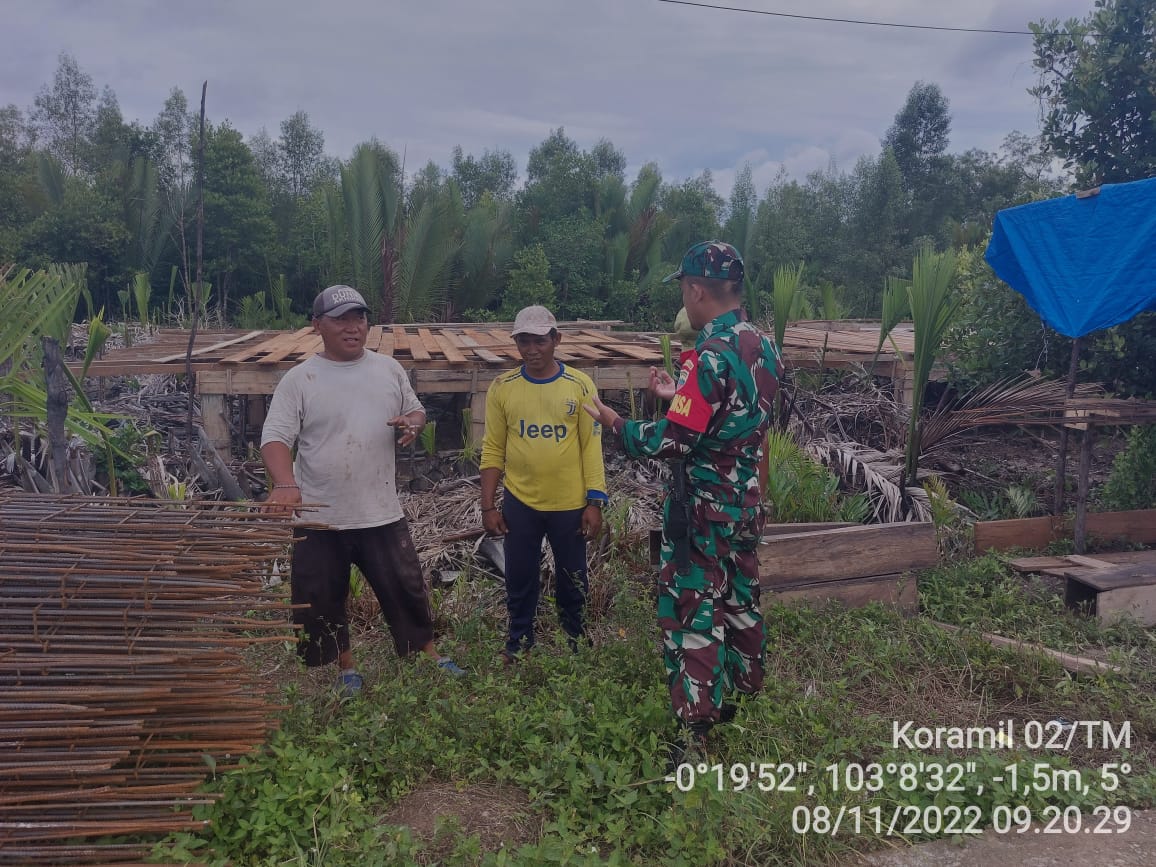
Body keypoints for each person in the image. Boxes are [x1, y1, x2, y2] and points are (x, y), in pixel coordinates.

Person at [584, 241, 781, 755]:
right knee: (741, 598)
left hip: (702, 510)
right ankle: (746, 692)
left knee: (693, 610)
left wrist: (615, 422)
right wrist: (680, 397)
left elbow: (674, 441)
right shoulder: (763, 346)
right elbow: (737, 415)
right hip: (745, 505)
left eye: (684, 290)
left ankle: (697, 732)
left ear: (696, 290)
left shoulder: (711, 355)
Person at [261, 284, 465, 696]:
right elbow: (275, 438)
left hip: (379, 510)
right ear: (317, 325)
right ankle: (345, 669)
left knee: (405, 587)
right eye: (341, 320)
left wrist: (413, 423)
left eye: (359, 318)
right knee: (322, 597)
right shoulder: (300, 379)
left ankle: (428, 653)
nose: (353, 328)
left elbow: (415, 410)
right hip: (320, 517)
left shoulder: (387, 369)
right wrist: (285, 484)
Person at [479, 305, 608, 663]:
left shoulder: (580, 385)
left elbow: (590, 446)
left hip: (569, 506)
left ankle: (575, 642)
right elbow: (493, 449)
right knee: (520, 577)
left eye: (539, 341)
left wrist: (594, 501)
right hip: (521, 504)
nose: (532, 349)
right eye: (524, 341)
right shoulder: (503, 387)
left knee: (573, 578)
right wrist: (489, 506)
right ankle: (519, 642)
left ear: (556, 340)